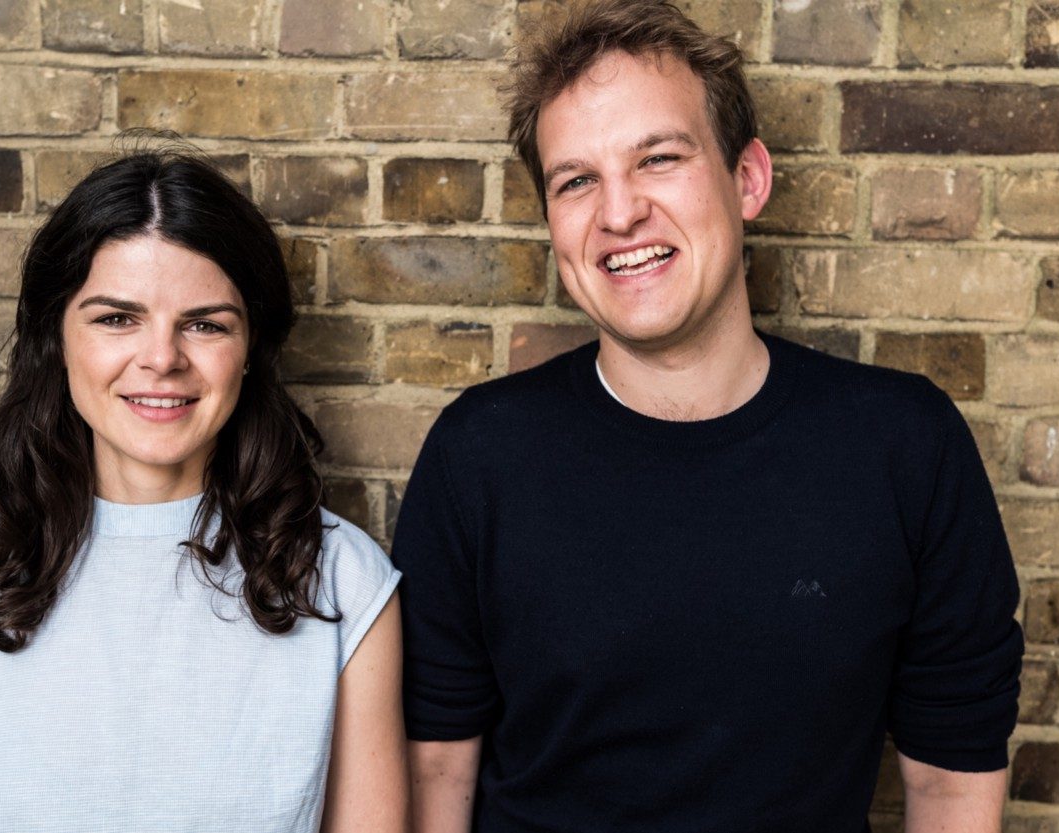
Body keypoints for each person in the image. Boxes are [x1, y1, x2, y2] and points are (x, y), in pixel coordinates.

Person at [394, 2, 1023, 831]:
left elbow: (950, 781)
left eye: (658, 158)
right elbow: (437, 769)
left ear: (748, 179)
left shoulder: (905, 446)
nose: (619, 213)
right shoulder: (479, 455)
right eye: (576, 180)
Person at [0, 149, 407, 833]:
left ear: (251, 349)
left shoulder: (345, 583)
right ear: (56, 338)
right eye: (116, 318)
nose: (162, 358)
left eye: (205, 323)